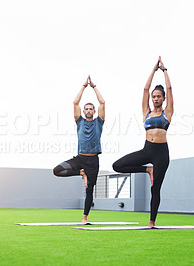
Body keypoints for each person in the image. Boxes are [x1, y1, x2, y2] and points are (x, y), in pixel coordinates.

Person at [112, 56, 173, 228]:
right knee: (118, 165)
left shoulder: (167, 113)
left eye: (158, 97)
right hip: (147, 150)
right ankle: (147, 169)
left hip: (161, 153)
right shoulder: (146, 112)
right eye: (154, 96)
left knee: (155, 189)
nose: (155, 99)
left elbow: (169, 87)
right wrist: (153, 70)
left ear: (163, 98)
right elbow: (145, 89)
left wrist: (165, 71)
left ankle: (152, 222)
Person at [53, 75, 105, 224]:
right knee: (57, 170)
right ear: (83, 111)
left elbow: (102, 102)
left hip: (93, 160)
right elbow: (75, 102)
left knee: (90, 190)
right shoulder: (79, 121)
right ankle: (81, 173)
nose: (88, 110)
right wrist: (83, 86)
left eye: (91, 109)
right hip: (80, 159)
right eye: (86, 108)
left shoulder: (99, 123)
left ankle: (85, 217)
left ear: (94, 112)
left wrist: (94, 87)